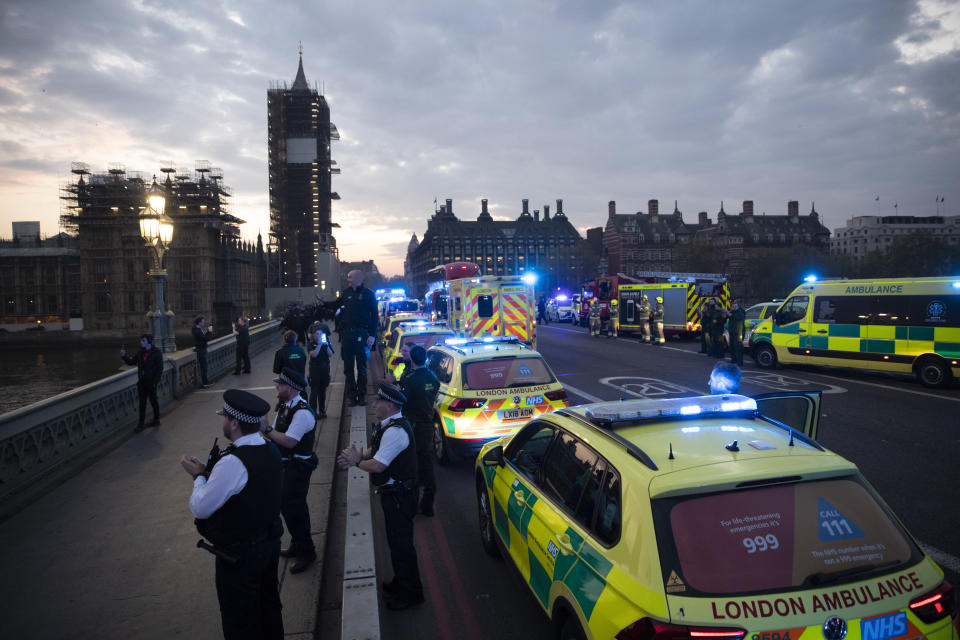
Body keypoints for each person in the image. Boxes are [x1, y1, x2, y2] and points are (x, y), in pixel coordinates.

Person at [180, 389, 284, 640]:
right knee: (269, 607)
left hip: (241, 556)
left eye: (225, 417)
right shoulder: (271, 450)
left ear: (235, 423)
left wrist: (199, 477)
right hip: (269, 544)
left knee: (241, 621)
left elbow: (200, 507)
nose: (224, 422)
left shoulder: (233, 462)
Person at [337, 384, 423, 610]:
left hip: (400, 497)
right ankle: (401, 581)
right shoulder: (387, 426)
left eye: (378, 401)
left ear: (390, 405)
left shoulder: (396, 431)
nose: (374, 404)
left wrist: (356, 462)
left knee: (402, 545)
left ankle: (411, 593)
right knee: (396, 544)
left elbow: (377, 465)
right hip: (394, 495)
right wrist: (358, 455)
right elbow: (374, 452)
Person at [262, 368, 318, 574]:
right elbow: (277, 433)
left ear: (291, 388)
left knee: (295, 509)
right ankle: (297, 544)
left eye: (280, 384)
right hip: (286, 466)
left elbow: (290, 441)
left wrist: (266, 430)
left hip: (298, 468)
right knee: (287, 508)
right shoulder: (285, 406)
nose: (276, 386)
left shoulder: (302, 413)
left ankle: (307, 551)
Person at [325, 269, 379, 406]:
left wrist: (372, 335)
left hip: (361, 334)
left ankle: (362, 395)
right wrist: (323, 303)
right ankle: (351, 395)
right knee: (348, 367)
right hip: (347, 335)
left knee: (362, 367)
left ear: (357, 278)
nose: (347, 279)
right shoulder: (346, 293)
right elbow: (335, 304)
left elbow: (375, 317)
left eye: (349, 277)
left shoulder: (368, 294)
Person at [398, 345, 440, 516]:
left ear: (413, 359)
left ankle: (413, 504)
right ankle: (428, 505)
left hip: (413, 426)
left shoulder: (410, 379)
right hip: (427, 425)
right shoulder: (432, 377)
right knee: (427, 464)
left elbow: (403, 400)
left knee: (412, 465)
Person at [121, 334, 163, 432]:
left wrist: (155, 382)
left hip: (151, 382)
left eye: (143, 341)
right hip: (142, 382)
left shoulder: (157, 352)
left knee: (154, 402)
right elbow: (131, 362)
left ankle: (156, 420)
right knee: (142, 403)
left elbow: (160, 369)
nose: (141, 342)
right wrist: (124, 356)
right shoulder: (140, 352)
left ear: (149, 341)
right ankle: (141, 424)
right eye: (141, 341)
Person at [307, 323, 334, 418]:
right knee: (314, 391)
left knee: (323, 391)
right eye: (317, 334)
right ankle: (313, 412)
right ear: (313, 335)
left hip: (325, 369)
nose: (318, 336)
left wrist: (326, 345)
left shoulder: (326, 342)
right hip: (315, 369)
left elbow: (330, 354)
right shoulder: (311, 344)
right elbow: (314, 354)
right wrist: (318, 345)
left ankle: (322, 410)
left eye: (320, 334)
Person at [193, 316, 214, 387]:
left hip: (201, 349)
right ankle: (205, 383)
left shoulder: (197, 329)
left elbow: (204, 338)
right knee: (204, 367)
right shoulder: (197, 331)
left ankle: (205, 382)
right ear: (199, 323)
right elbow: (206, 339)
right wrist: (210, 332)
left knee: (204, 367)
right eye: (203, 322)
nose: (204, 323)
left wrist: (208, 332)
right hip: (201, 351)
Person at [727, 300, 747, 367]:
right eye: (733, 304)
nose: (733, 305)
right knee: (732, 346)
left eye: (735, 304)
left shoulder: (740, 311)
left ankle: (739, 361)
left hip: (738, 332)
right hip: (732, 331)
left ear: (738, 305)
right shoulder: (733, 311)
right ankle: (734, 359)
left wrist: (730, 314)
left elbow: (739, 317)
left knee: (738, 347)